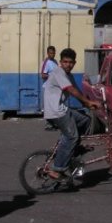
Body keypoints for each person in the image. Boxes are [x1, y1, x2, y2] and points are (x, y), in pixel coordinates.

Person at [42, 48, 100, 180]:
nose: (68, 65)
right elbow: (71, 90)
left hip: (63, 110)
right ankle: (58, 169)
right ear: (61, 62)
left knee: (85, 120)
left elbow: (78, 91)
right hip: (56, 112)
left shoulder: (69, 75)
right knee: (71, 137)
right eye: (65, 62)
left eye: (70, 62)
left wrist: (89, 103)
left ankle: (72, 150)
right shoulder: (58, 72)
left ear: (74, 62)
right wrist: (88, 102)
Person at [40, 46, 59, 130]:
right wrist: (52, 76)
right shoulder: (46, 62)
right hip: (47, 88)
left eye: (54, 53)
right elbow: (43, 75)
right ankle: (48, 125)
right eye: (51, 53)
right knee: (48, 107)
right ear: (47, 53)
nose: (52, 54)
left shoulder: (55, 62)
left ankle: (53, 124)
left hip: (54, 88)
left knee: (53, 106)